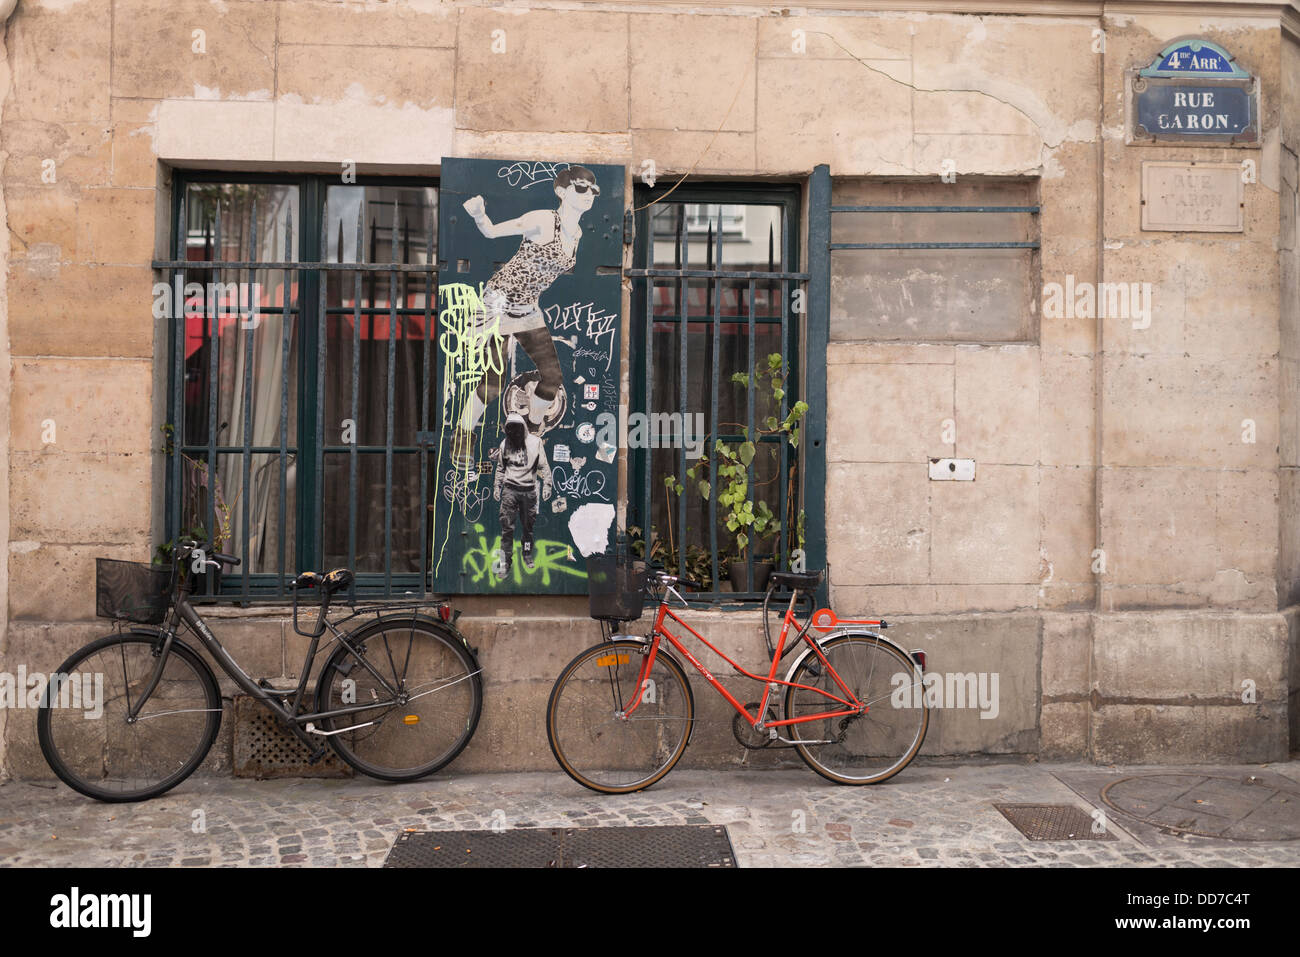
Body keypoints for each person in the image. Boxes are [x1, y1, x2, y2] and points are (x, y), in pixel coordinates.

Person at [452, 165, 600, 468]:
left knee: (552, 377)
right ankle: (463, 437)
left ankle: (532, 429)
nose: (589, 195)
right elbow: (492, 231)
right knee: (494, 381)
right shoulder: (544, 220)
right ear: (561, 192)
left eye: (593, 190)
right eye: (581, 188)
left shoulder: (578, 233)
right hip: (499, 303)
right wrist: (480, 214)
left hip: (528, 307)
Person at [493, 413, 553, 575]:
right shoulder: (505, 444)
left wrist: (547, 486)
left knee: (528, 528)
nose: (514, 432)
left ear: (523, 428)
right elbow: (500, 467)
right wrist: (497, 487)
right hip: (510, 491)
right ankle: (505, 562)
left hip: (529, 491)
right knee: (507, 529)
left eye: (517, 428)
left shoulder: (535, 443)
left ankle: (526, 553)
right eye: (510, 429)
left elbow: (544, 467)